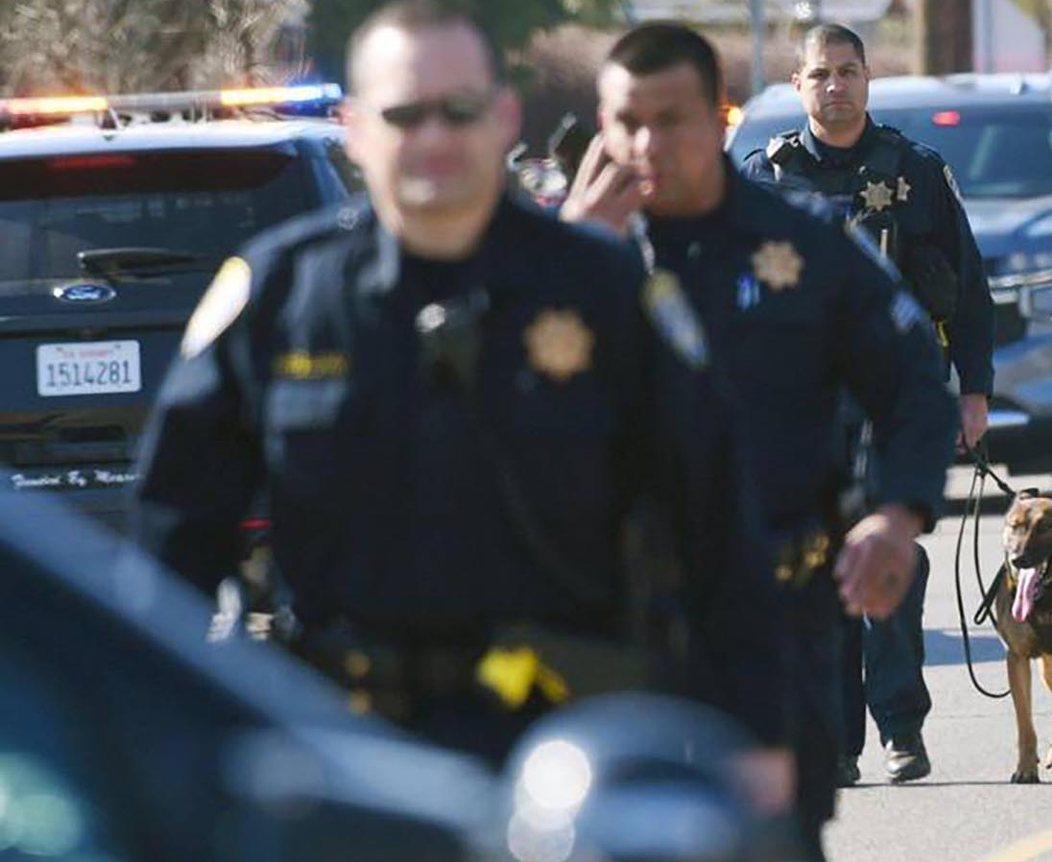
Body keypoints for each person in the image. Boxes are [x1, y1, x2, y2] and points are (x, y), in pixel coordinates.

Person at [132, 1, 786, 796]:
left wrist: (755, 737)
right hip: (346, 759)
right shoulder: (282, 296)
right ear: (355, 128)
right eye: (404, 113)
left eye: (460, 110)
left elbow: (715, 525)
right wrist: (157, 743)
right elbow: (175, 537)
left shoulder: (605, 292)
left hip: (568, 752)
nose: (434, 136)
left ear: (504, 117)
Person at [559, 21, 958, 862]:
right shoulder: (566, 256)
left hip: (767, 626)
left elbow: (913, 376)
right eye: (626, 121)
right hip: (605, 633)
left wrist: (895, 512)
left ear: (718, 119)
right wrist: (570, 255)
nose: (646, 143)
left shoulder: (804, 245)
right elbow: (495, 418)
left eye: (672, 120)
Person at [739, 24, 994, 786]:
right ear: (798, 84)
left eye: (848, 72)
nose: (836, 87)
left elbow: (970, 293)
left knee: (891, 558)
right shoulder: (762, 177)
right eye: (821, 75)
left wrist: (972, 392)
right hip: (799, 405)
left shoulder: (914, 172)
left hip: (892, 399)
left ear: (868, 79)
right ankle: (835, 743)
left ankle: (901, 729)